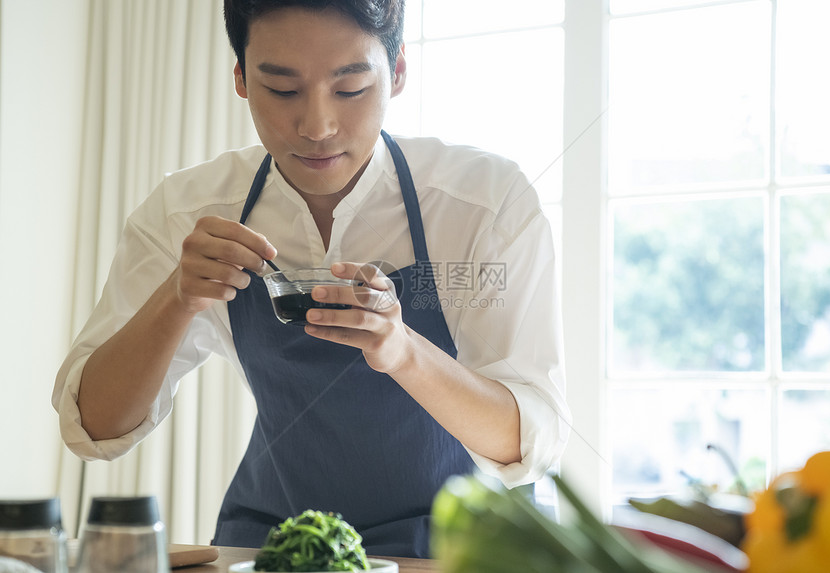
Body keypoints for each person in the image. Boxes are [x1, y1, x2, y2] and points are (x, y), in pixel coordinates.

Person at [52, 0, 570, 558]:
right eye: (282, 90)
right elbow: (92, 428)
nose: (318, 127)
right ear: (241, 79)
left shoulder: (482, 204)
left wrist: (403, 352)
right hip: (274, 550)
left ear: (396, 73)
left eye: (350, 89)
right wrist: (176, 299)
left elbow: (531, 440)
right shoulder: (187, 213)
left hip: (455, 553)